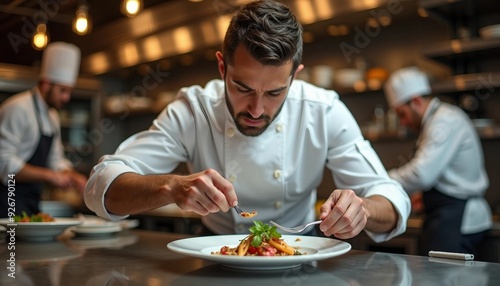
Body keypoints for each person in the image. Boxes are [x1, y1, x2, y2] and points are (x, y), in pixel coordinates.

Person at [85, 0, 410, 242]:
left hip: (300, 255)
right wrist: (172, 186)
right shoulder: (194, 110)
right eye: (243, 88)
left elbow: (391, 199)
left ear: (295, 77)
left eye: (274, 92)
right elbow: (101, 185)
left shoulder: (322, 110)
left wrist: (363, 210)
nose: (256, 109)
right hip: (215, 256)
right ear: (222, 67)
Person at [383, 66, 492, 255]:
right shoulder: (436, 120)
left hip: (459, 221)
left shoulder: (445, 121)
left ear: (416, 101)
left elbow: (421, 173)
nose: (403, 122)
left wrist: (382, 180)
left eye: (402, 114)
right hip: (447, 217)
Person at [0, 41, 87, 218]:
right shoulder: (17, 108)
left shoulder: (52, 116)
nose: (66, 98)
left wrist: (72, 176)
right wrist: (49, 176)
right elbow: (4, 163)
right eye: (62, 90)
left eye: (69, 91)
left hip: (32, 200)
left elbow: (56, 160)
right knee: (9, 245)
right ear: (46, 84)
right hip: (6, 199)